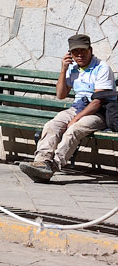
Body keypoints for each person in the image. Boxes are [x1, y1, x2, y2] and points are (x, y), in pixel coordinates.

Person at [20, 34, 115, 182]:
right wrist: (64, 69)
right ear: (70, 53)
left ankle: (52, 166)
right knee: (52, 125)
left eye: (83, 50)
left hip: (99, 112)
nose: (79, 54)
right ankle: (41, 162)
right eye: (75, 51)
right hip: (77, 108)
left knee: (74, 129)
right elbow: (61, 94)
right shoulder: (73, 68)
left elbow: (99, 102)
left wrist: (76, 119)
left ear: (90, 50)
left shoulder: (102, 68)